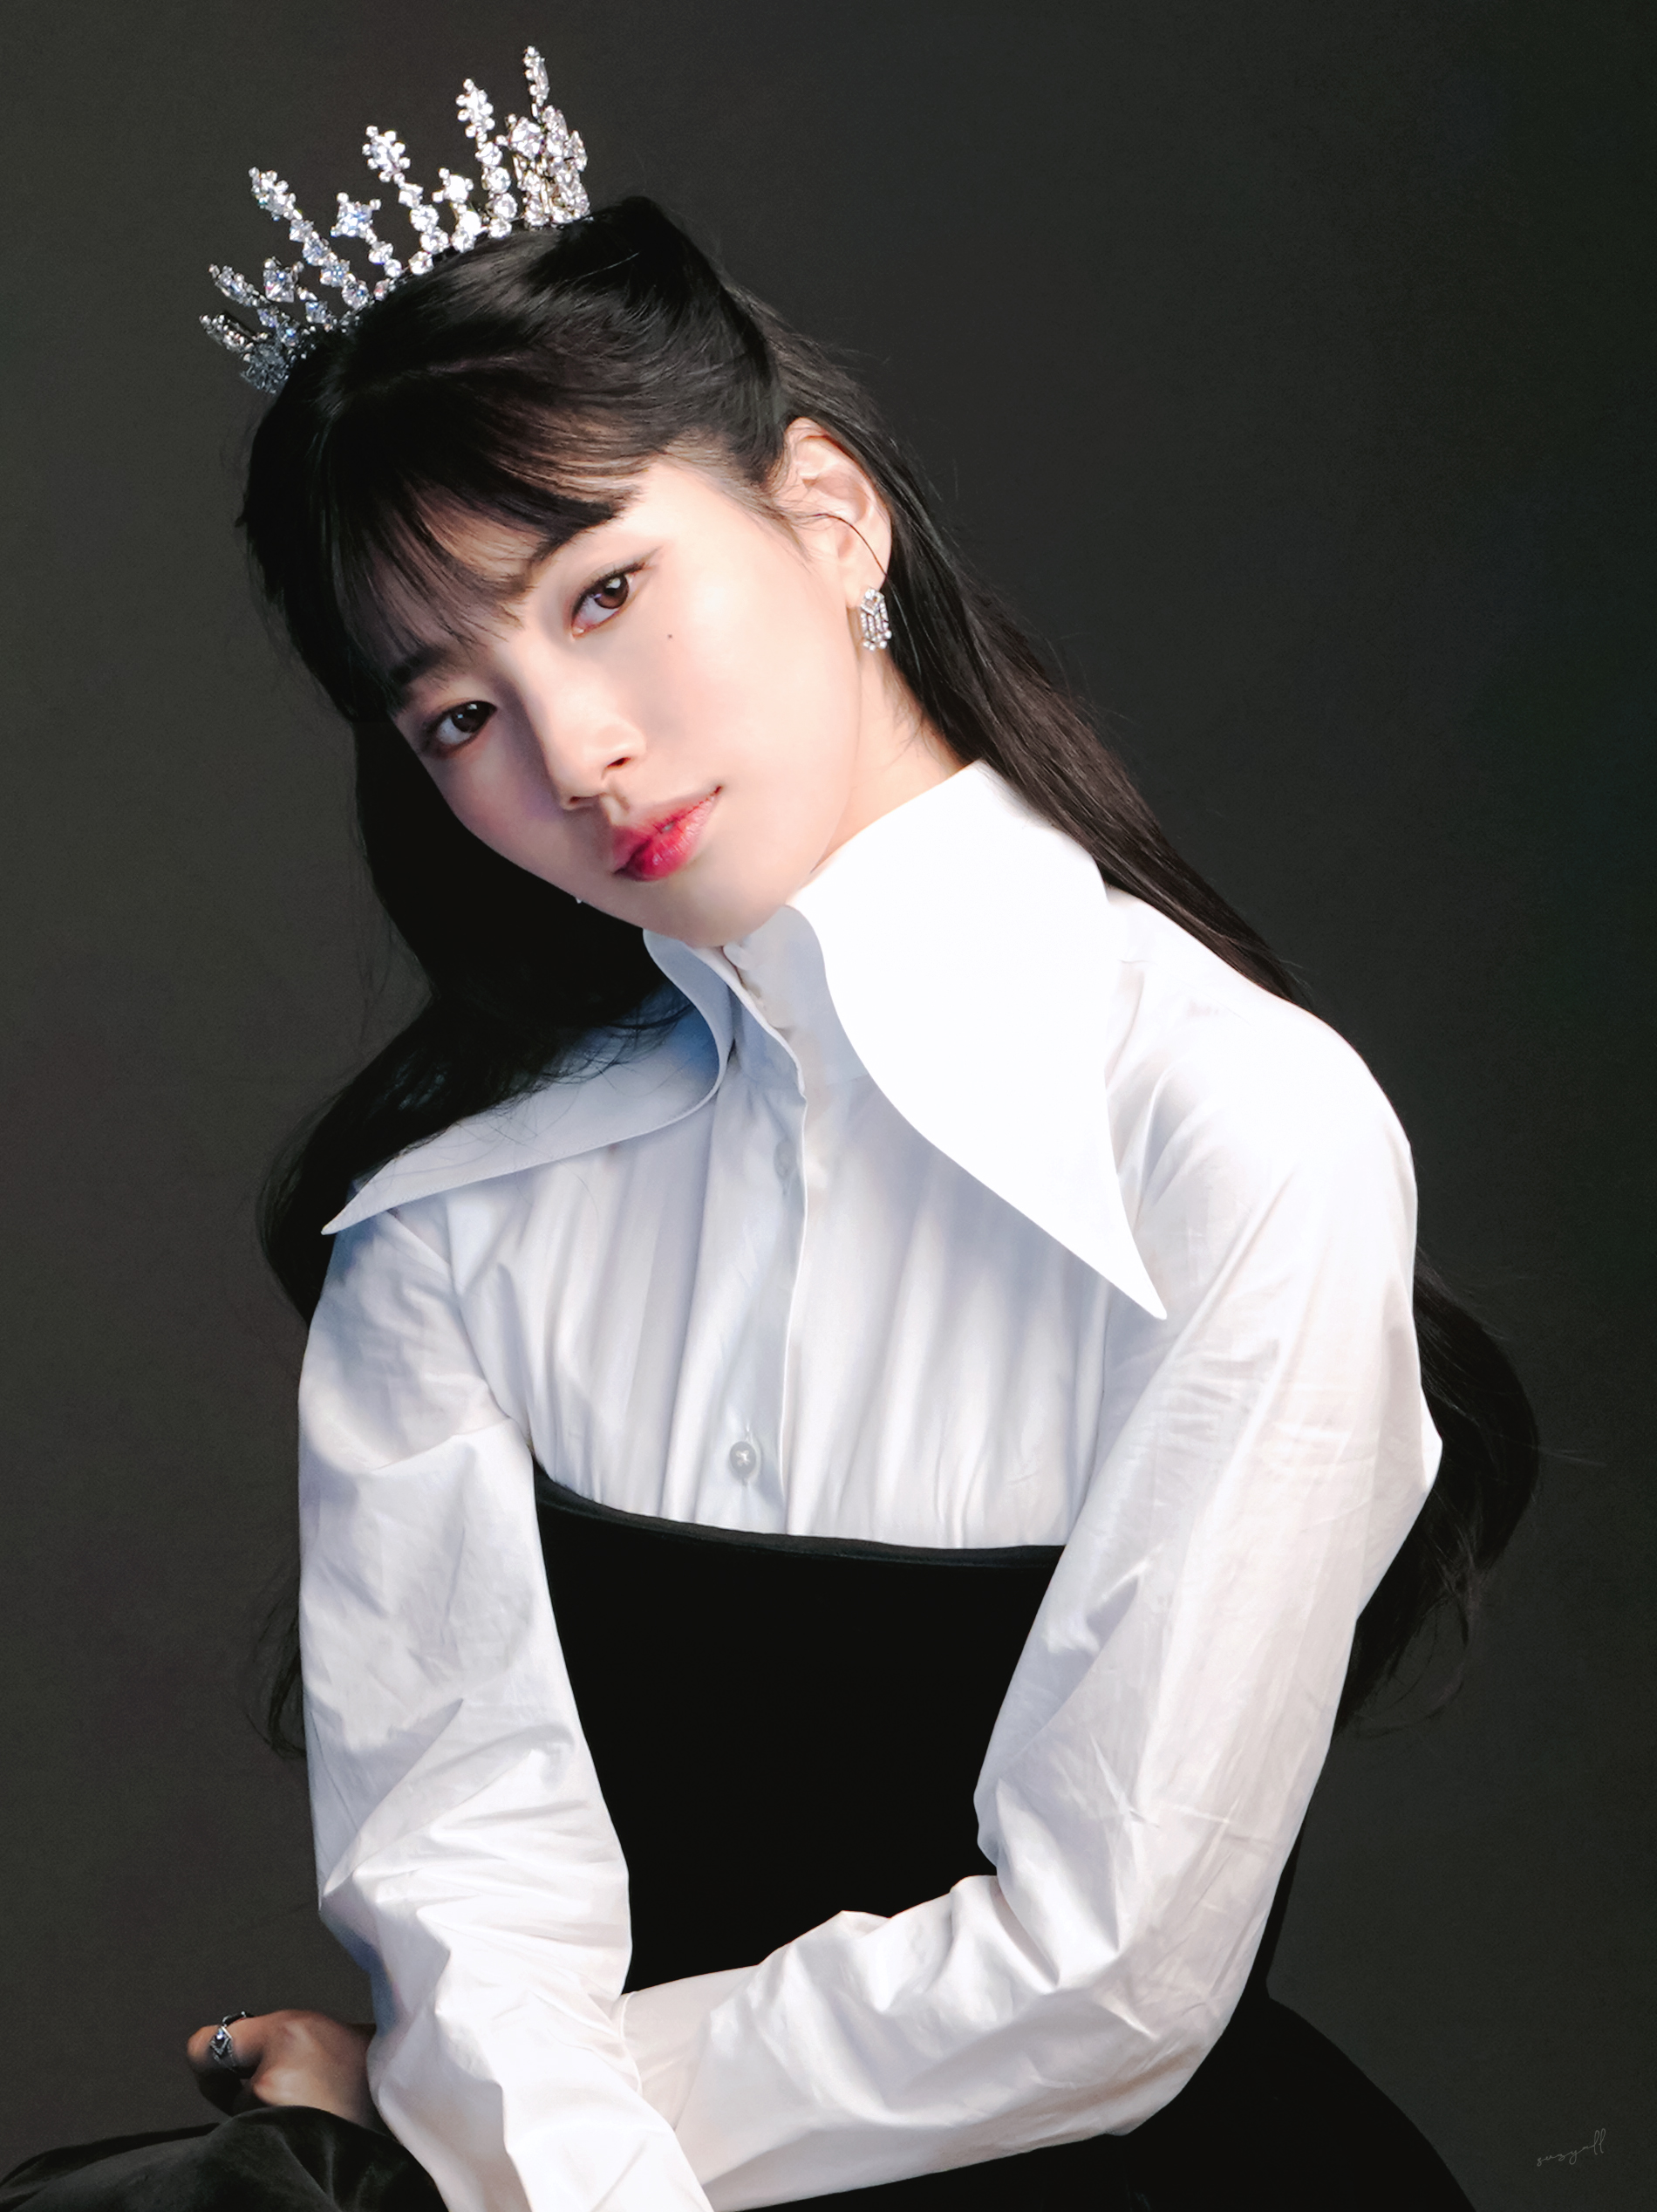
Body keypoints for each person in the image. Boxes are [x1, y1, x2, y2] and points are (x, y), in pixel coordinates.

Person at [2, 48, 1536, 2212]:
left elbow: (1108, 1965)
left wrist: (459, 2136)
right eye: (456, 710)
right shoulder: (449, 1229)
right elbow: (467, 1883)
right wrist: (487, 2115)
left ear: (826, 516)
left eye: (601, 590)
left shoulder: (1229, 1127)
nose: (572, 749)